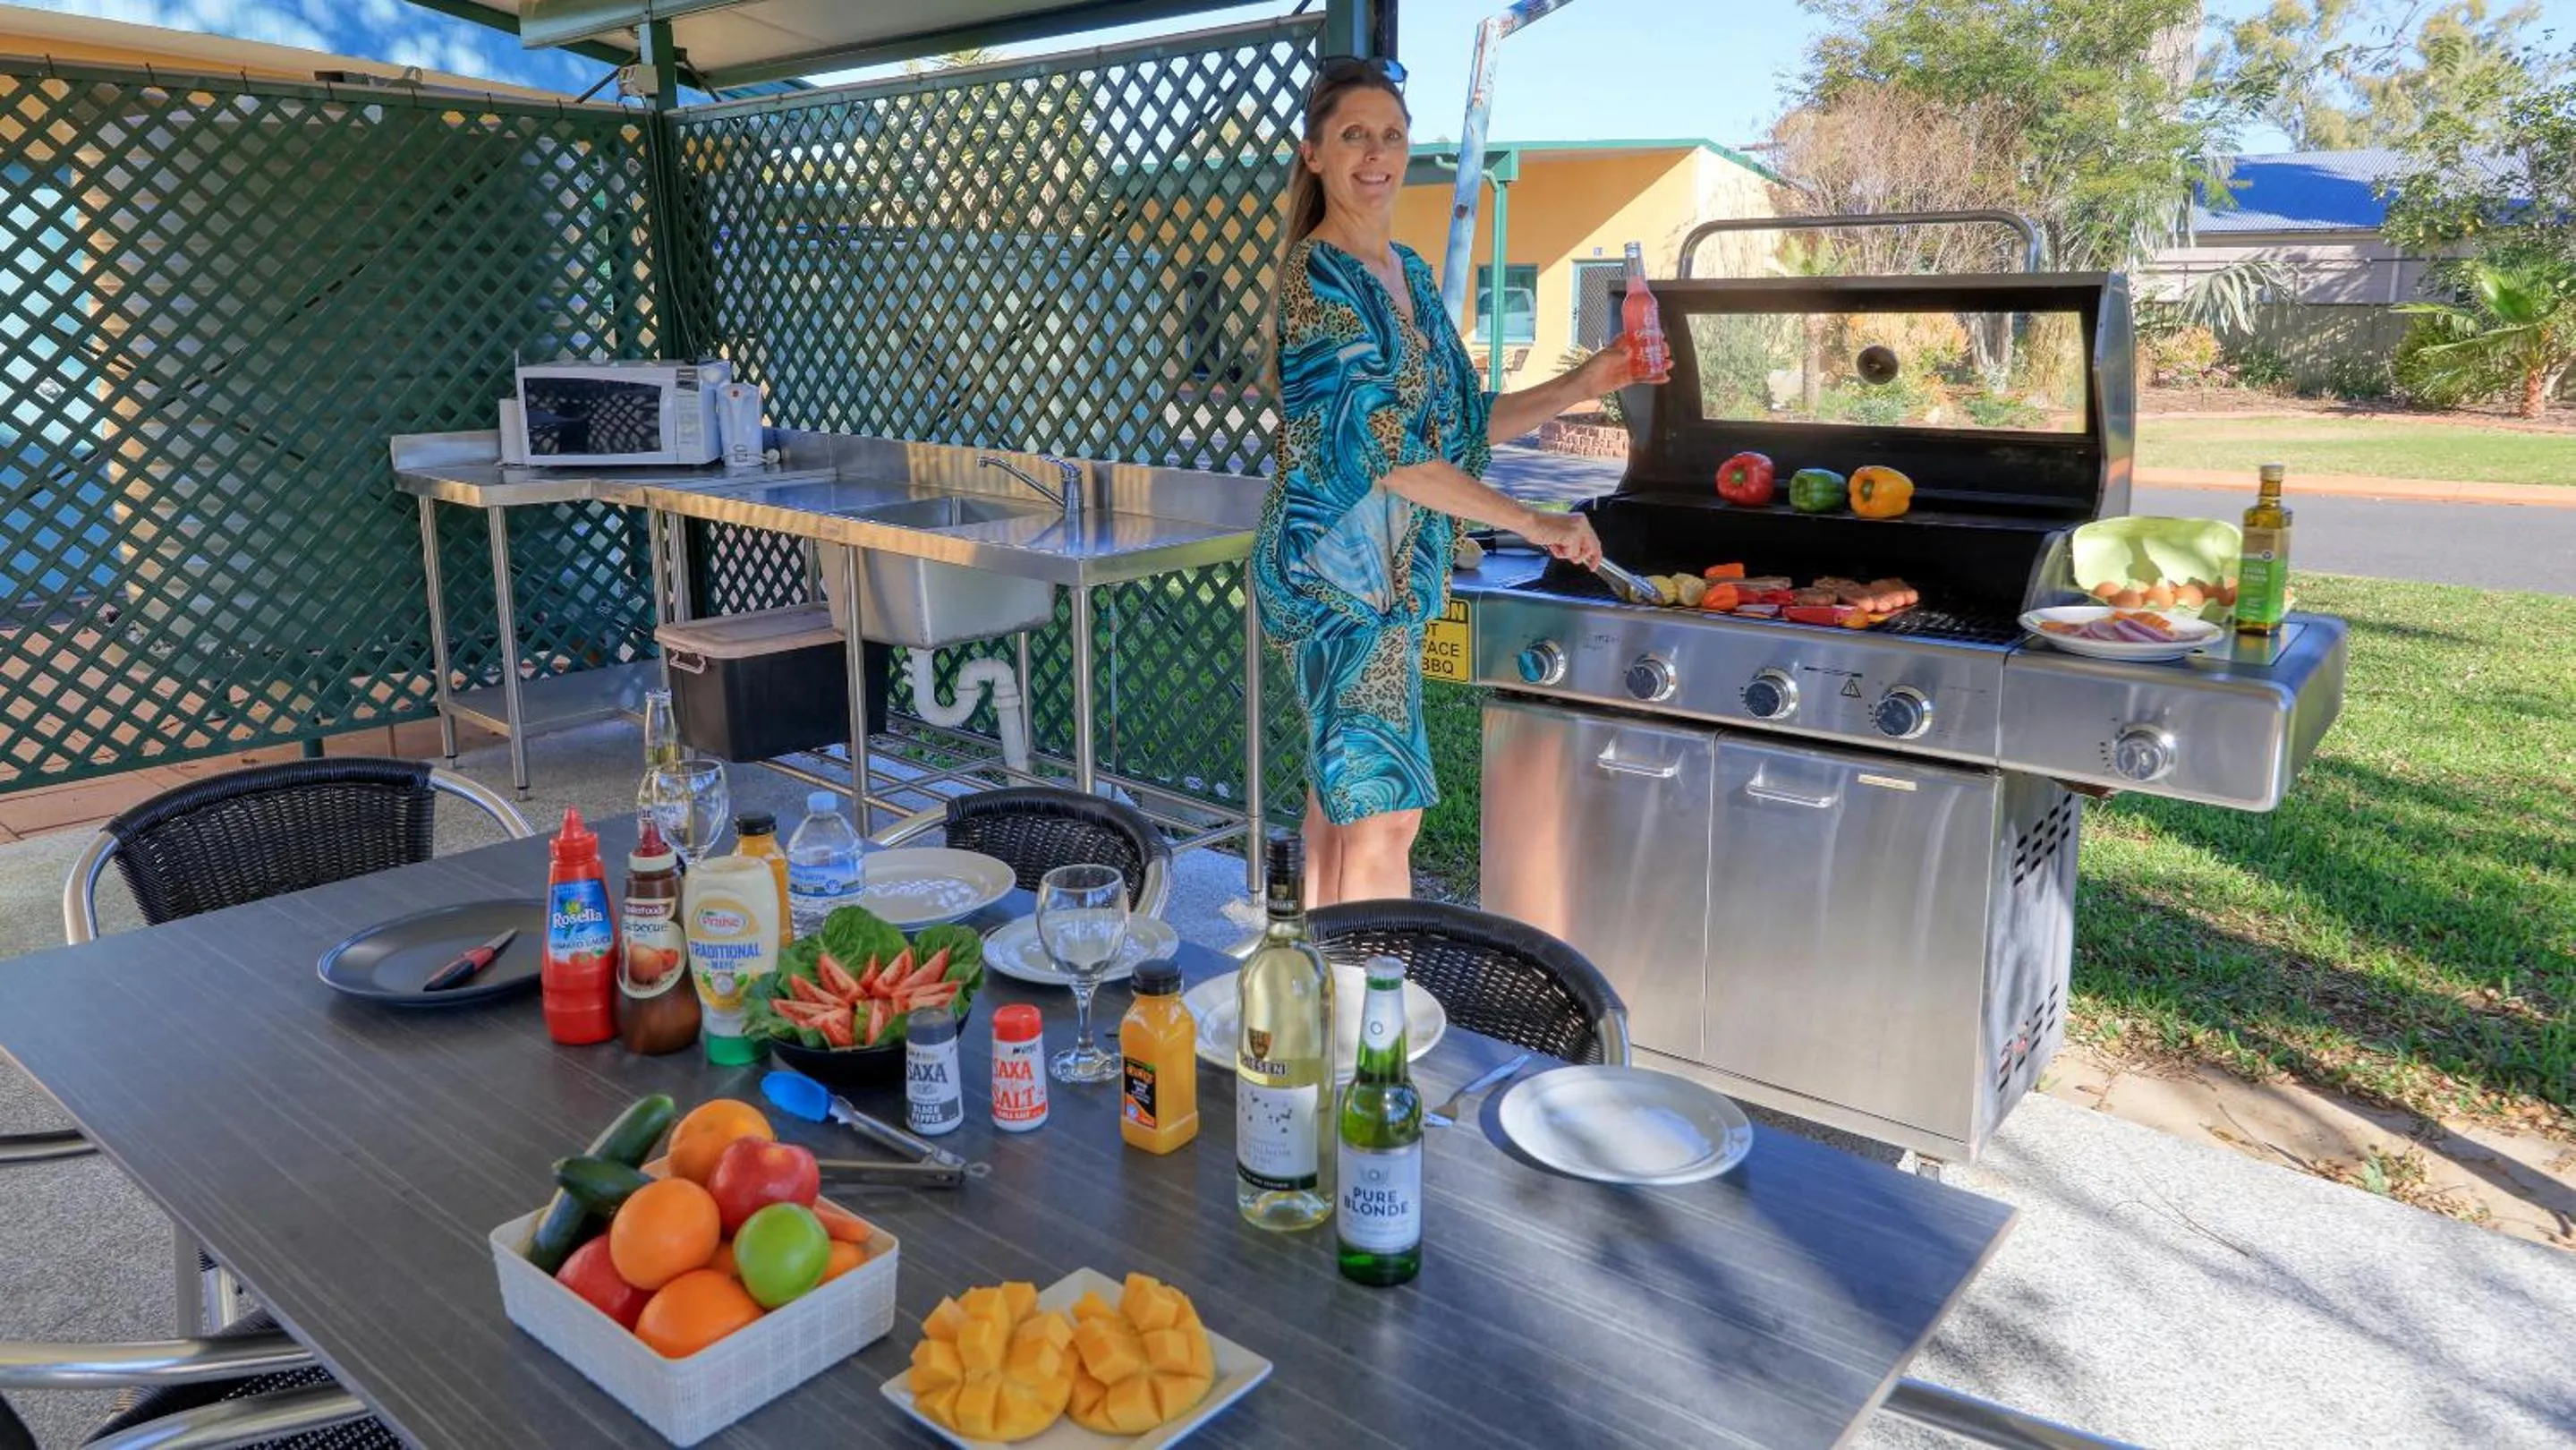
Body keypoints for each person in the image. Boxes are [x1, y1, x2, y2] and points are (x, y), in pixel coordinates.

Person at [1252, 55, 1667, 908]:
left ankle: (1311, 998)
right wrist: (1536, 521)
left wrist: (1584, 384)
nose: (1376, 154)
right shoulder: (1317, 279)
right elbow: (1389, 454)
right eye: (1354, 136)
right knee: (1383, 818)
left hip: (1390, 581)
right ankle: (1376, 1016)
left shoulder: (1402, 268)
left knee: (1346, 805)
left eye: (1392, 136)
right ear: (1315, 156)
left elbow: (1458, 427)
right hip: (1339, 580)